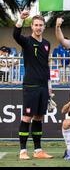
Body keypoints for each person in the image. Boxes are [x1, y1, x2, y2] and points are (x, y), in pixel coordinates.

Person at [13, 10, 53, 160]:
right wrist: (20, 20)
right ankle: (23, 151)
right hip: (30, 86)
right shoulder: (26, 41)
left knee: (38, 118)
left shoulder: (47, 44)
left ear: (44, 26)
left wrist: (50, 86)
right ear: (32, 27)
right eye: (36, 25)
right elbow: (15, 35)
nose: (38, 27)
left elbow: (46, 66)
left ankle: (38, 151)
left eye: (40, 25)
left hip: (44, 86)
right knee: (27, 117)